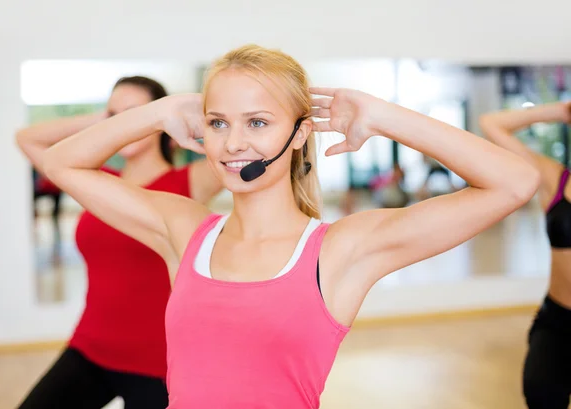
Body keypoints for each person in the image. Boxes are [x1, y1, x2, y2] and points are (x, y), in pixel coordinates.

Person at [41, 45, 539, 408]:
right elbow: (63, 164)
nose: (234, 143)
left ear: (300, 134)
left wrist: (383, 116)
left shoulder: (341, 250)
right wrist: (158, 112)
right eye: (218, 123)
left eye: (257, 123)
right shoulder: (185, 229)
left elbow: (515, 183)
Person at [15, 76, 223, 409]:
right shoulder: (95, 181)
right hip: (91, 347)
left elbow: (245, 145)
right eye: (115, 113)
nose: (122, 120)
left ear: (160, 118)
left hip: (159, 361)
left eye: (134, 112)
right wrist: (108, 121)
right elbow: (27, 139)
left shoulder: (191, 181)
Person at [480, 101, 571, 409]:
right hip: (557, 319)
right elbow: (491, 123)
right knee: (540, 392)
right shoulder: (555, 179)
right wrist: (559, 111)